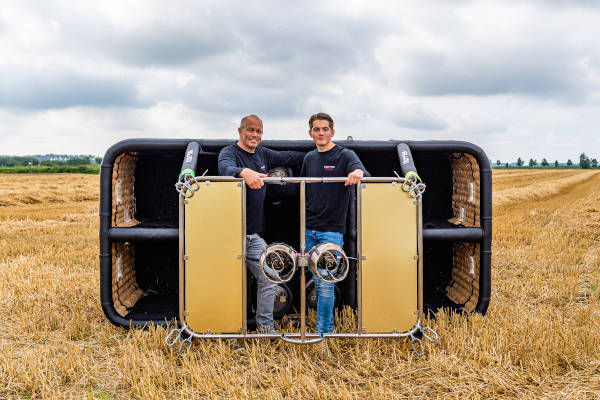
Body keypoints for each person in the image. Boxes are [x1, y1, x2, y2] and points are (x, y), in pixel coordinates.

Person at [218, 114, 304, 333]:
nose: (254, 135)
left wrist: (321, 153)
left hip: (253, 236)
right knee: (227, 284)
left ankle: (265, 329)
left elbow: (289, 157)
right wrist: (244, 172)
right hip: (229, 236)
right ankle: (226, 331)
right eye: (250, 130)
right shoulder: (229, 153)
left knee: (269, 278)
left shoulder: (262, 153)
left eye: (258, 131)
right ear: (240, 131)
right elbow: (225, 169)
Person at [300, 112, 369, 334]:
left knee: (326, 286)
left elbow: (361, 171)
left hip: (331, 232)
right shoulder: (309, 158)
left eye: (325, 129)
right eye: (316, 129)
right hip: (308, 230)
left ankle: (324, 335)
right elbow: (303, 189)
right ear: (310, 133)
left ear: (333, 132)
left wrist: (357, 173)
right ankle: (323, 328)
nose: (321, 133)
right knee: (316, 283)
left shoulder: (345, 155)